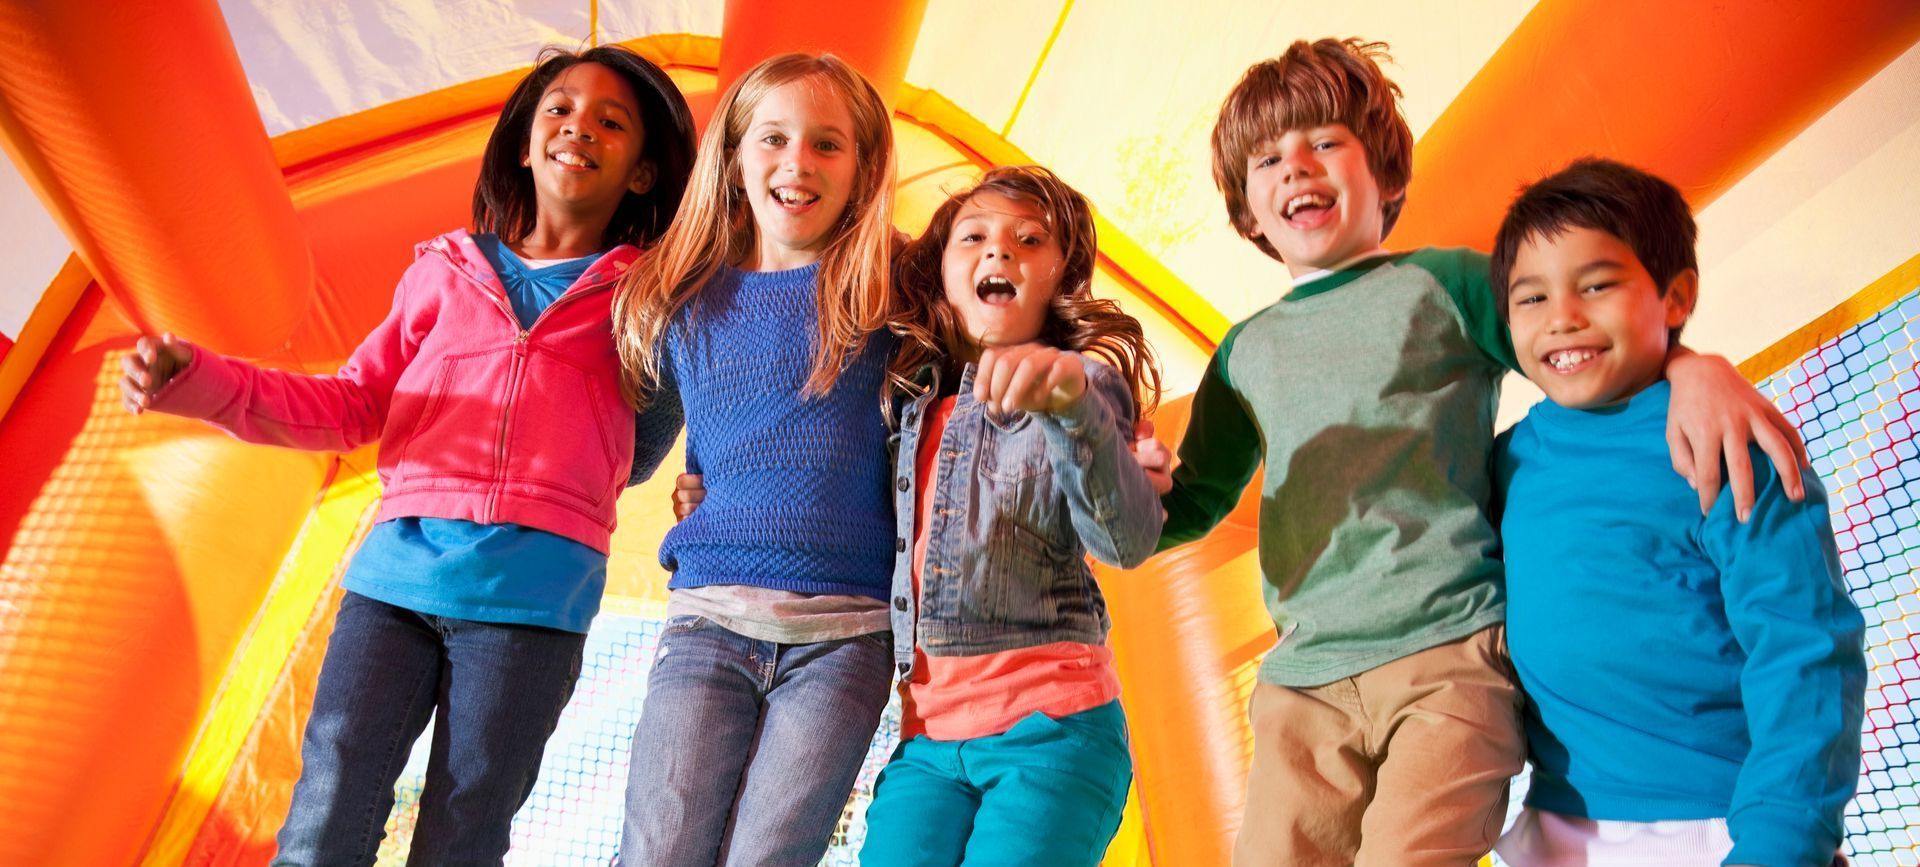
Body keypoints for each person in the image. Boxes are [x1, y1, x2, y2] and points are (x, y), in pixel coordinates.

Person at [1149, 37, 1808, 865]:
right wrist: (1124, 486)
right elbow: (1191, 503)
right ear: (1247, 211)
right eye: (1269, 158)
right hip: (1306, 676)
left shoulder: (1448, 283)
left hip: (1448, 647)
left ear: (1385, 174)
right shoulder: (1243, 351)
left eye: (1325, 142)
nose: (1297, 168)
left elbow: (1573, 342)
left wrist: (1692, 365)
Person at [118, 45, 697, 864]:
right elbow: (352, 402)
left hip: (530, 604)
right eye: (559, 111)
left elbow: (642, 452)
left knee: (464, 829)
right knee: (328, 801)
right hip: (394, 583)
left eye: (612, 122)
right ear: (525, 145)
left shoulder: (648, 303)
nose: (580, 129)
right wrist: (198, 381)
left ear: (641, 173)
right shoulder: (443, 274)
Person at [1489, 157, 1865, 867]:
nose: (1563, 316)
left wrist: (1781, 842)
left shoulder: (1727, 441)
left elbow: (1808, 650)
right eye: (1530, 298)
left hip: (1726, 827)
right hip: (1559, 831)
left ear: (1675, 296)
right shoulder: (1507, 465)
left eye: (1596, 285)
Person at [609, 52, 901, 867]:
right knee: (659, 849)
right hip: (710, 616)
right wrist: (703, 491)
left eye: (826, 145)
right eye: (772, 138)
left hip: (845, 636)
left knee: (769, 854)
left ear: (863, 166)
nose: (797, 163)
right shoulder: (687, 301)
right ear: (736, 157)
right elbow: (640, 454)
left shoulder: (891, 288)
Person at [853, 165, 1162, 866]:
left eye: (1029, 240)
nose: (1001, 251)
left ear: (1061, 277)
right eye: (976, 236)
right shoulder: (906, 405)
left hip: (1052, 729)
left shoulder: (1083, 384)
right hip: (928, 744)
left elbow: (1126, 538)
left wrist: (1072, 407)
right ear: (940, 270)